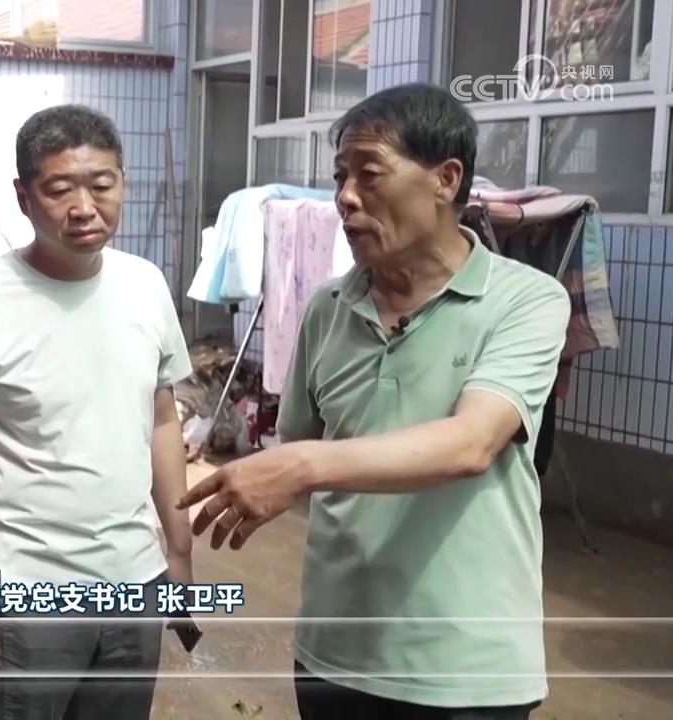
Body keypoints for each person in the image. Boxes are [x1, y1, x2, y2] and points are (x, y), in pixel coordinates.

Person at [179, 83, 571, 719]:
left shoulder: (526, 301)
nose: (345, 197)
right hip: (333, 657)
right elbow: (302, 441)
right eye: (340, 177)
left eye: (369, 173)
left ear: (446, 179)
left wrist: (302, 466)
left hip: (468, 671)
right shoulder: (327, 308)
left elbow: (471, 444)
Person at [0, 104, 194, 719]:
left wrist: (177, 553)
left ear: (123, 183)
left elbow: (162, 420)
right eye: (59, 189)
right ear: (23, 197)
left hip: (135, 583)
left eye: (102, 185)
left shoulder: (145, 285)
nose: (84, 207)